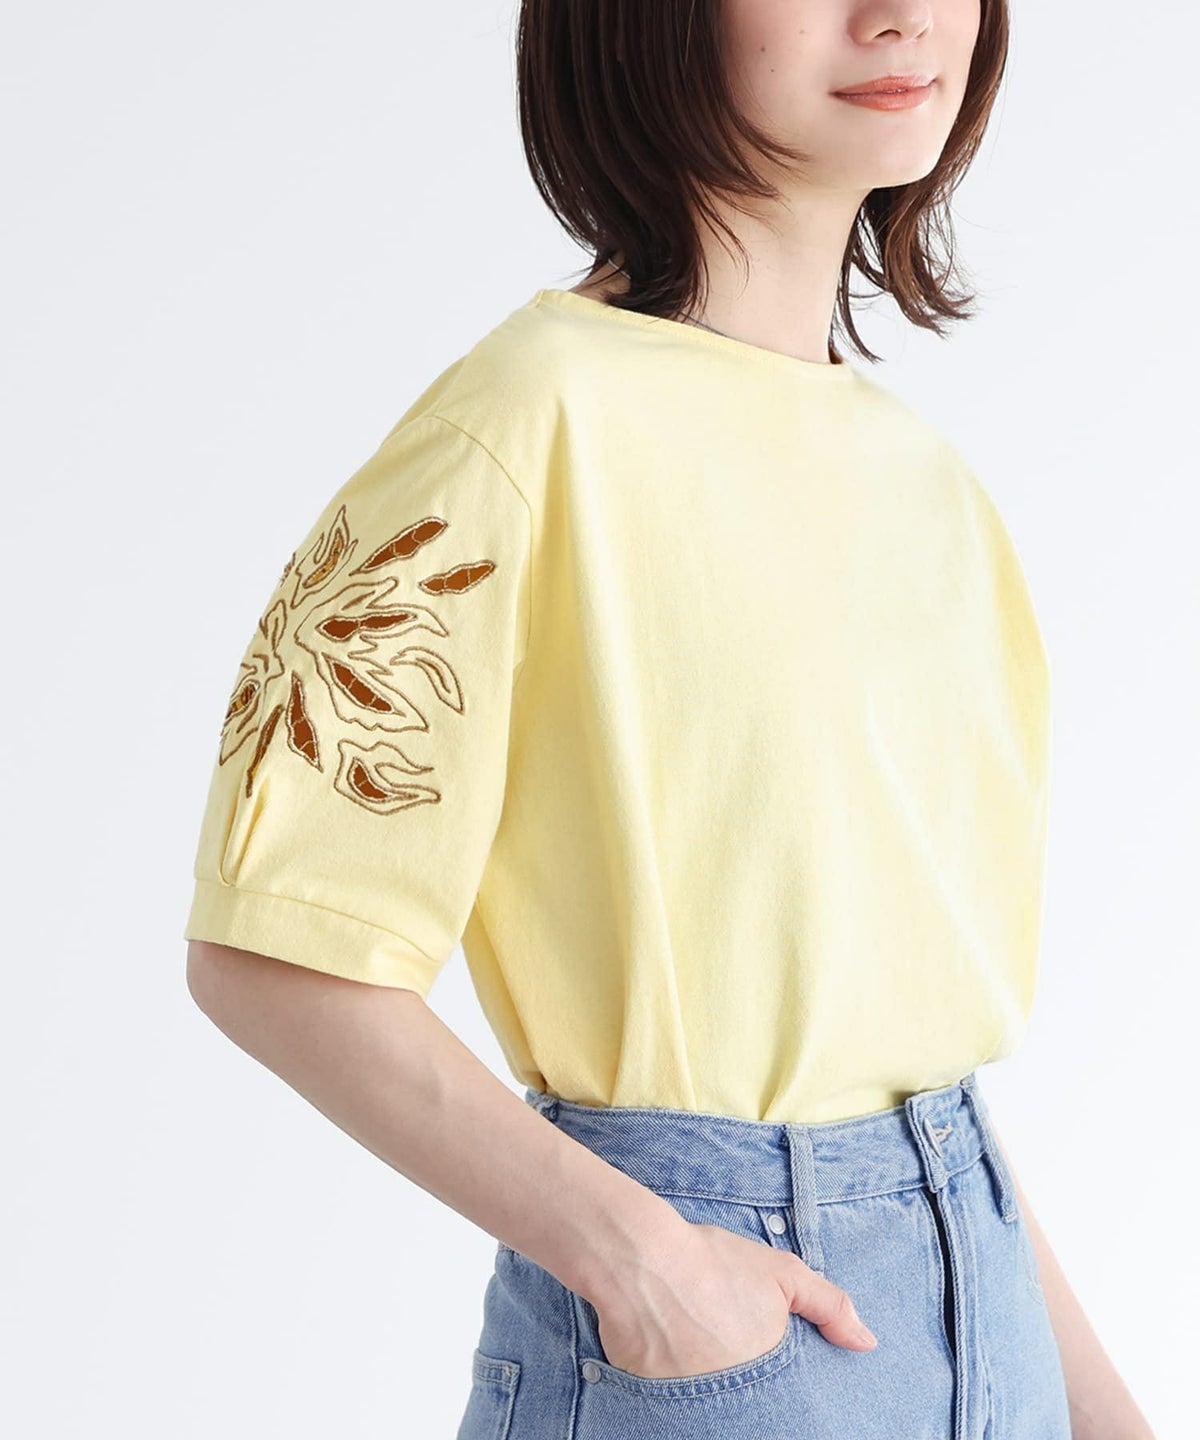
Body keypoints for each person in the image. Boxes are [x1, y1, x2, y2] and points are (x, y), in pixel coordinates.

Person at [183, 2, 1154, 1437]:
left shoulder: (929, 482)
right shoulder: (524, 424)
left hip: (985, 1293)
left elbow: (910, 1067)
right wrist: (644, 1263)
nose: (896, 14)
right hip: (715, 1345)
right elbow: (272, 951)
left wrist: (1102, 1411)